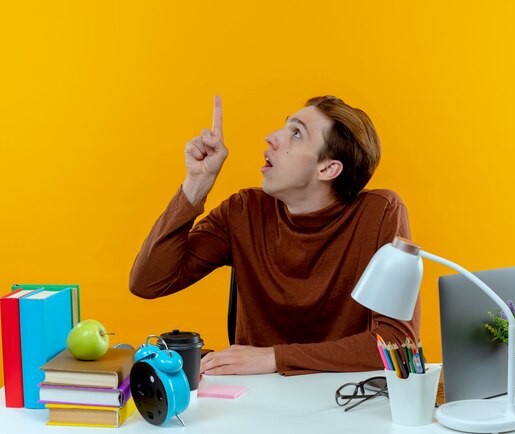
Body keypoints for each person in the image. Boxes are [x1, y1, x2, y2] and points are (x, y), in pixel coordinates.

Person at [129, 95, 420, 375]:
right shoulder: (244, 211)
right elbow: (148, 282)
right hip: (256, 399)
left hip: (346, 399)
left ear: (328, 168)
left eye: (296, 134)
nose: (272, 137)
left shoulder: (380, 213)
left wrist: (274, 357)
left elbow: (397, 343)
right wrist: (196, 182)